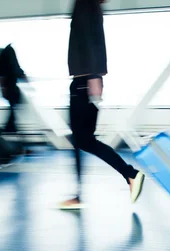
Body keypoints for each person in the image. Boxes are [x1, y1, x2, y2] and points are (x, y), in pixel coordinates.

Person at [59, 0, 145, 210]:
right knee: (82, 140)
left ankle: (130, 174)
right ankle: (127, 175)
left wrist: (94, 77)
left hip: (84, 82)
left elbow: (92, 38)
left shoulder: (86, 3)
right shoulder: (89, 4)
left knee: (84, 140)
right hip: (84, 81)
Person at [0, 44, 27, 135]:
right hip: (10, 85)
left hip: (9, 85)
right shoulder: (9, 52)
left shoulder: (5, 53)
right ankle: (10, 127)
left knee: (13, 106)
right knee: (14, 105)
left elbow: (1, 72)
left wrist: (2, 87)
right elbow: (15, 68)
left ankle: (10, 127)